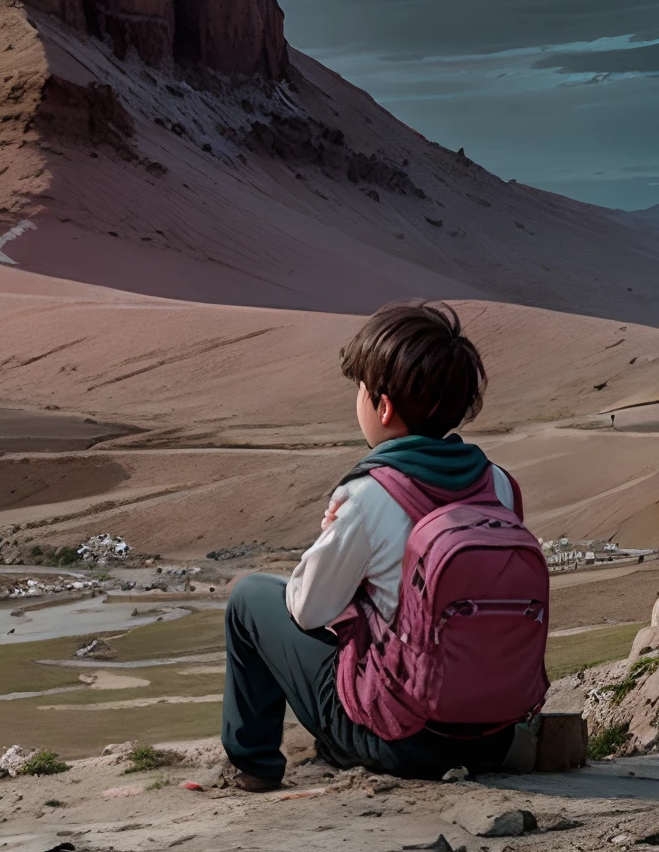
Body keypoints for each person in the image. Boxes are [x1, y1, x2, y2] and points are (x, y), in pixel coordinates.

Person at [220, 300, 545, 789]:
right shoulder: (497, 484)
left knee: (250, 598)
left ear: (383, 406)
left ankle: (254, 767)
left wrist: (331, 536)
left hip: (401, 738)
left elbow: (307, 610)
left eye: (361, 390)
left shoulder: (371, 495)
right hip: (492, 736)